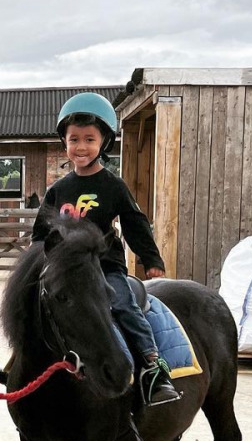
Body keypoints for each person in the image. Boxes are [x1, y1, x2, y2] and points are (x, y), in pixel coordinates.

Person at [31, 91, 180, 406]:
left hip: (105, 267)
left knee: (124, 306)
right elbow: (40, 236)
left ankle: (153, 368)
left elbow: (134, 223)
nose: (80, 147)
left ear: (104, 143)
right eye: (74, 139)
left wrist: (151, 258)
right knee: (40, 308)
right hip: (69, 271)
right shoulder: (57, 190)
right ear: (65, 142)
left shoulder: (113, 186)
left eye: (88, 139)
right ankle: (26, 365)